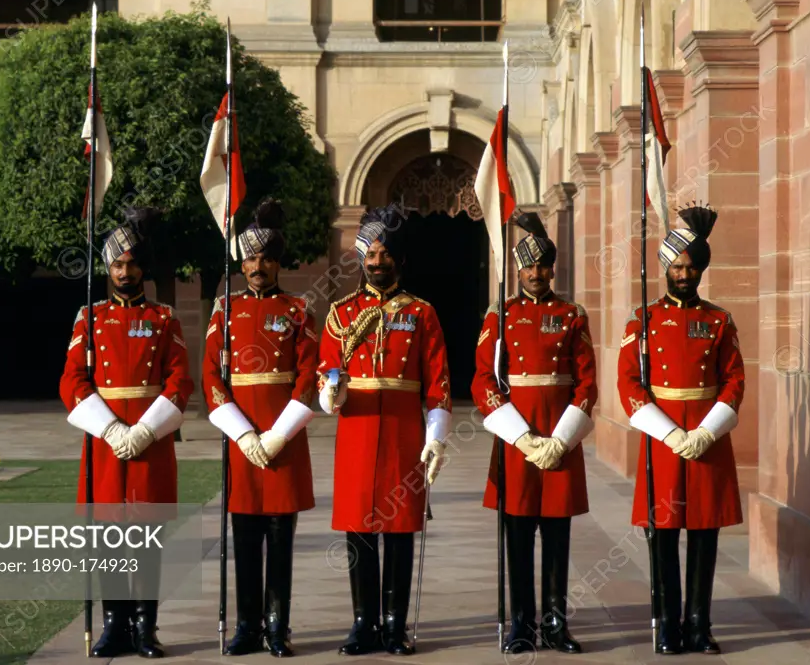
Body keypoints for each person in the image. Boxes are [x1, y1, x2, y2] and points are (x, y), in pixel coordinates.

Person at [60, 208, 195, 659]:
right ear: (107, 268)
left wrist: (145, 430)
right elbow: (72, 381)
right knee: (107, 538)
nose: (125, 272)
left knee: (145, 537)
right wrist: (111, 428)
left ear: (143, 267)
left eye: (132, 264)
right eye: (117, 264)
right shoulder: (90, 319)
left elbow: (180, 381)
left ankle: (145, 627)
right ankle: (114, 625)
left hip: (149, 443)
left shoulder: (163, 318)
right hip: (105, 443)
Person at [317, 204, 451, 656]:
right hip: (356, 432)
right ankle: (362, 623)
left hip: (401, 436)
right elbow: (325, 374)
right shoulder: (340, 314)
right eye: (370, 254)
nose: (376, 262)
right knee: (359, 530)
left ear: (400, 257)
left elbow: (438, 384)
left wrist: (436, 438)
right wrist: (330, 393)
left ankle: (394, 625)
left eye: (385, 253)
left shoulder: (422, 314)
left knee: (397, 529)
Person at [617, 202, 745, 655]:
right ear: (666, 269)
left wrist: (708, 431)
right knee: (664, 535)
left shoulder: (718, 320)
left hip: (706, 438)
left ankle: (699, 624)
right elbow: (629, 381)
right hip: (664, 438)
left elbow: (734, 379)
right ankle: (668, 624)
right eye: (676, 266)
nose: (684, 274)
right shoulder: (643, 320)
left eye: (690, 267)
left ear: (700, 271)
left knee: (705, 535)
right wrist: (669, 433)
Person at [473, 214, 598, 654]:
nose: (537, 274)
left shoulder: (571, 315)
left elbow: (586, 383)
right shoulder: (500, 315)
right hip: (517, 443)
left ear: (552, 269)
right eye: (529, 267)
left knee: (558, 538)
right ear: (518, 269)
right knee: (518, 537)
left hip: (559, 439)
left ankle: (555, 622)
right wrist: (522, 438)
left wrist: (561, 440)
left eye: (544, 267)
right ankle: (521, 624)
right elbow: (483, 382)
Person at [202, 199, 318, 657]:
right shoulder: (222, 310)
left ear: (277, 262)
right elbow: (212, 376)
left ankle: (277, 627)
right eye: (250, 258)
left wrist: (277, 434)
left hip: (282, 441)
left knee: (280, 540)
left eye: (266, 258)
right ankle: (246, 625)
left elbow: (309, 374)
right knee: (244, 540)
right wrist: (244, 434)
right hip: (242, 442)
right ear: (241, 262)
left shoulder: (298, 309)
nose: (257, 266)